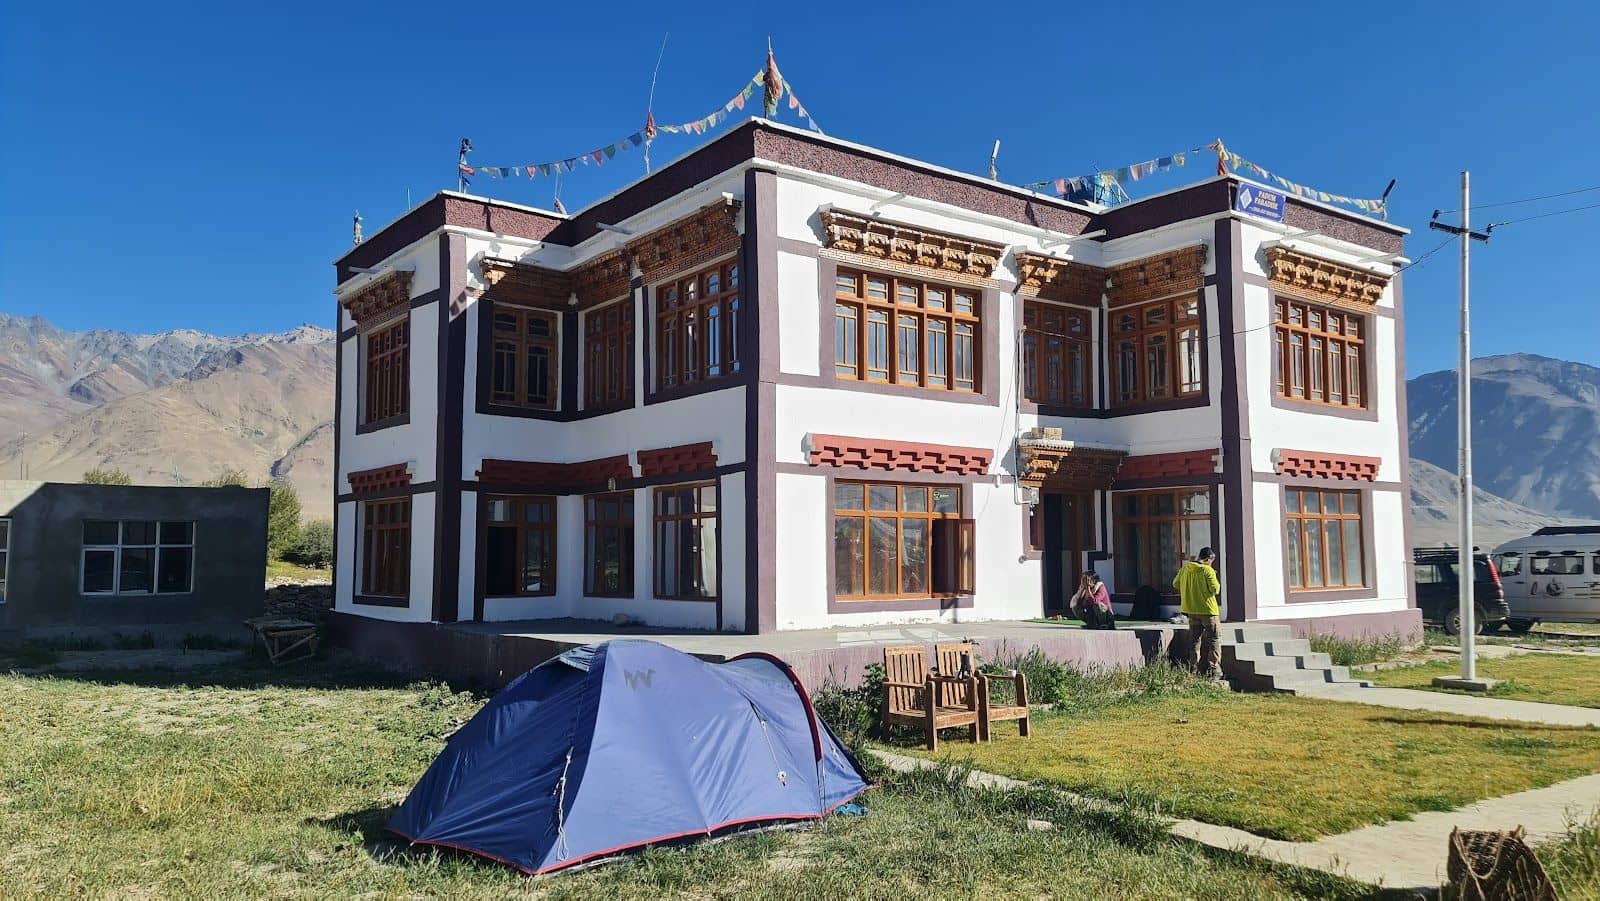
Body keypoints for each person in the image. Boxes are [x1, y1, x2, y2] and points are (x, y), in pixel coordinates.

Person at [1173, 547, 1222, 679]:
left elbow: (1175, 583)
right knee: (1214, 639)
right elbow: (1215, 589)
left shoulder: (1185, 569)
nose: (1212, 563)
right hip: (1208, 611)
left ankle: (1193, 668)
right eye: (1212, 561)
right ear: (1208, 559)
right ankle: (1214, 669)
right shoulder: (1208, 570)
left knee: (1195, 640)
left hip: (1191, 610)